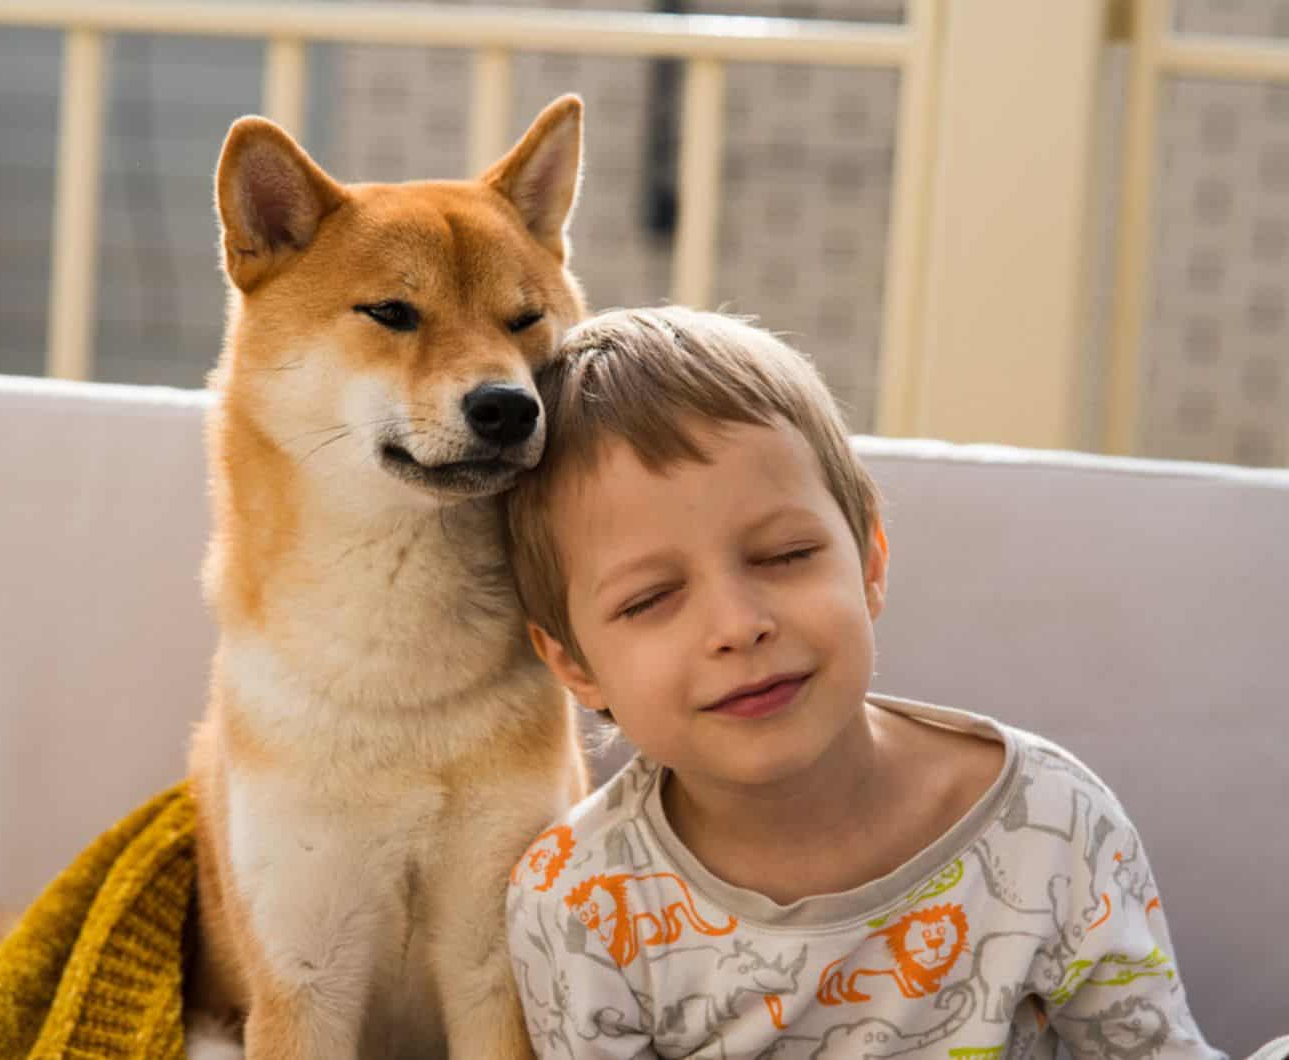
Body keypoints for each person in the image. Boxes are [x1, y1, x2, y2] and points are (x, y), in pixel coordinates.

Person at [501, 306, 1227, 1058]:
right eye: (650, 599)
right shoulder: (579, 903)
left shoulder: (1049, 822)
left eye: (785, 555)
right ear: (575, 665)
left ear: (870, 561)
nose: (737, 625)